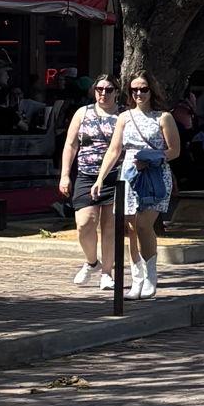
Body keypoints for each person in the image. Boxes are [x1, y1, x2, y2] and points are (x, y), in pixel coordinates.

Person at [92, 74, 180, 298]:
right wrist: (101, 178)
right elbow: (114, 150)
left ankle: (151, 277)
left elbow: (174, 150)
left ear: (152, 91)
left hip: (154, 176)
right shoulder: (124, 117)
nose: (138, 94)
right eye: (134, 90)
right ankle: (137, 280)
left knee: (143, 225)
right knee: (131, 230)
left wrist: (152, 158)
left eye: (143, 89)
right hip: (129, 176)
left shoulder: (163, 117)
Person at [58, 76, 121, 290]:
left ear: (116, 92)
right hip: (86, 174)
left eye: (109, 89)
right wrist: (65, 174)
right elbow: (70, 144)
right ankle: (92, 262)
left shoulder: (123, 115)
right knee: (85, 223)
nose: (104, 93)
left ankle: (107, 273)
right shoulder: (83, 113)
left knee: (110, 226)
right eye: (99, 89)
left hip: (115, 177)